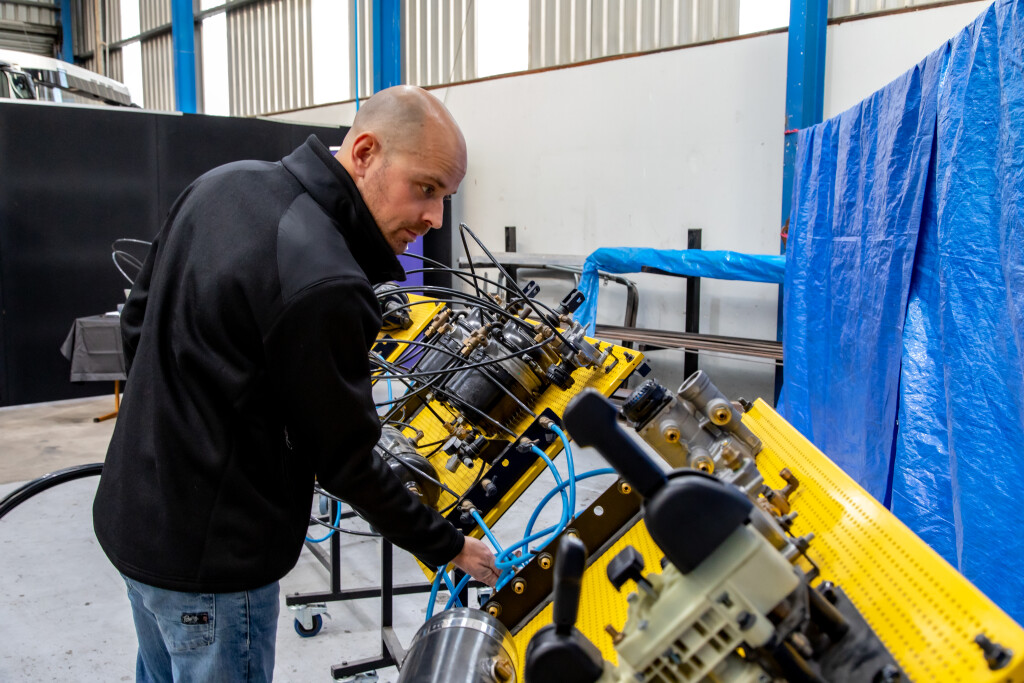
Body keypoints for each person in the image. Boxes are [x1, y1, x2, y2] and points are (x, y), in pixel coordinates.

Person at [93, 85, 499, 682]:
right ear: (364, 153)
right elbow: (345, 462)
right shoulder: (326, 279)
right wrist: (448, 546)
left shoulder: (221, 184)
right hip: (215, 570)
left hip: (135, 522)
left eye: (445, 198)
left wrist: (180, 423)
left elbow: (137, 320)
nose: (435, 217)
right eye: (426, 188)